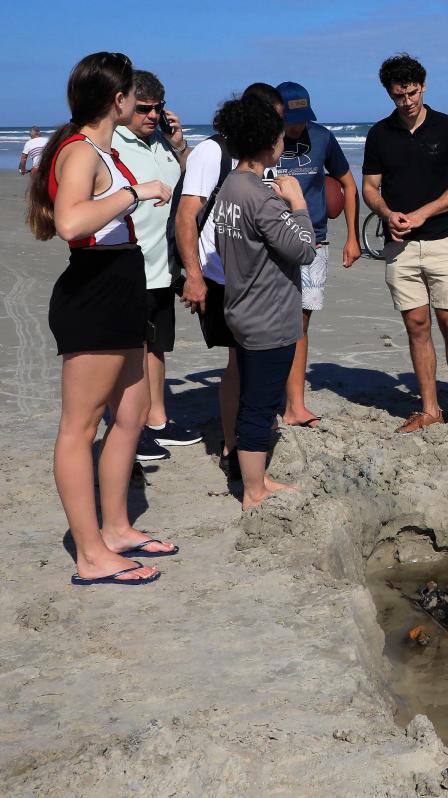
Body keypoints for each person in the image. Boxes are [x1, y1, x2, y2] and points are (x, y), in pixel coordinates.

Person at [25, 52, 175, 586]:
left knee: (131, 414)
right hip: (95, 292)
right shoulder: (79, 150)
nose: (139, 101)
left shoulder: (96, 145)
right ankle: (90, 554)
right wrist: (134, 193)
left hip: (123, 286)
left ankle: (115, 528)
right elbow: (69, 222)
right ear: (119, 99)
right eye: (134, 92)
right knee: (79, 427)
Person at [361, 53, 448, 441]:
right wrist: (388, 213)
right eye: (399, 96)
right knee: (416, 325)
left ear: (423, 86)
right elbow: (370, 188)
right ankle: (430, 408)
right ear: (389, 94)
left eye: (411, 93)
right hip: (399, 247)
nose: (407, 102)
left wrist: (423, 213)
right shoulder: (379, 134)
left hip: (443, 241)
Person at [210, 95, 317, 510]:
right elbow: (304, 249)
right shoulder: (260, 196)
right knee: (260, 406)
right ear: (267, 141)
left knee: (253, 397)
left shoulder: (230, 187)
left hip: (241, 306)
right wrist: (299, 202)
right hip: (268, 316)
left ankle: (257, 477)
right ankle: (253, 490)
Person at [176, 83, 281, 479]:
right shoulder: (213, 152)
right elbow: (187, 216)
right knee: (239, 361)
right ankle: (232, 445)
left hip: (259, 277)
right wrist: (194, 277)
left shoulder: (264, 156)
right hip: (220, 276)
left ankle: (254, 434)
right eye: (273, 116)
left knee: (257, 357)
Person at [112, 70, 202, 461]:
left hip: (164, 267)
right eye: (144, 108)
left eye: (158, 108)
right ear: (125, 104)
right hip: (126, 265)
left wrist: (179, 145)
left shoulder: (164, 142)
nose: (152, 115)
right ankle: (127, 427)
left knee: (156, 347)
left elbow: (189, 187)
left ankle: (158, 421)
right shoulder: (110, 144)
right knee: (127, 352)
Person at [274, 81, 361, 429]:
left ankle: (295, 404)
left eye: (301, 117)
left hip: (315, 241)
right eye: (290, 118)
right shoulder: (264, 140)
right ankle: (267, 397)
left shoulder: (322, 138)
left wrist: (352, 237)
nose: (297, 125)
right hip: (271, 238)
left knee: (301, 321)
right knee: (270, 319)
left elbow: (348, 185)